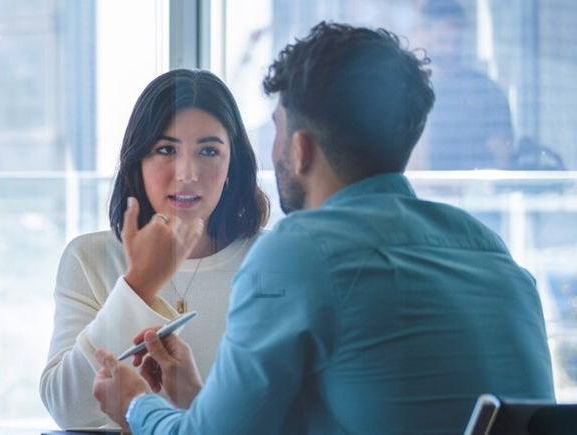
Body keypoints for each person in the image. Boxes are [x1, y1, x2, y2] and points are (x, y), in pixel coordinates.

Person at [92, 22, 554, 433]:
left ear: (300, 148)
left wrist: (136, 405)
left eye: (275, 129)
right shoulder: (490, 251)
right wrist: (197, 401)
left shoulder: (299, 253)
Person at [40, 69, 269, 429]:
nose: (188, 172)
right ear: (138, 162)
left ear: (232, 166)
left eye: (209, 151)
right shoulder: (90, 258)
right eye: (166, 150)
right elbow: (67, 408)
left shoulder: (273, 259)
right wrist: (138, 286)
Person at [414, 0, 515, 170]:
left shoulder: (487, 92)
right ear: (425, 35)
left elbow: (503, 156)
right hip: (421, 192)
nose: (451, 49)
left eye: (457, 41)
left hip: (474, 194)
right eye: (443, 40)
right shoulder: (408, 92)